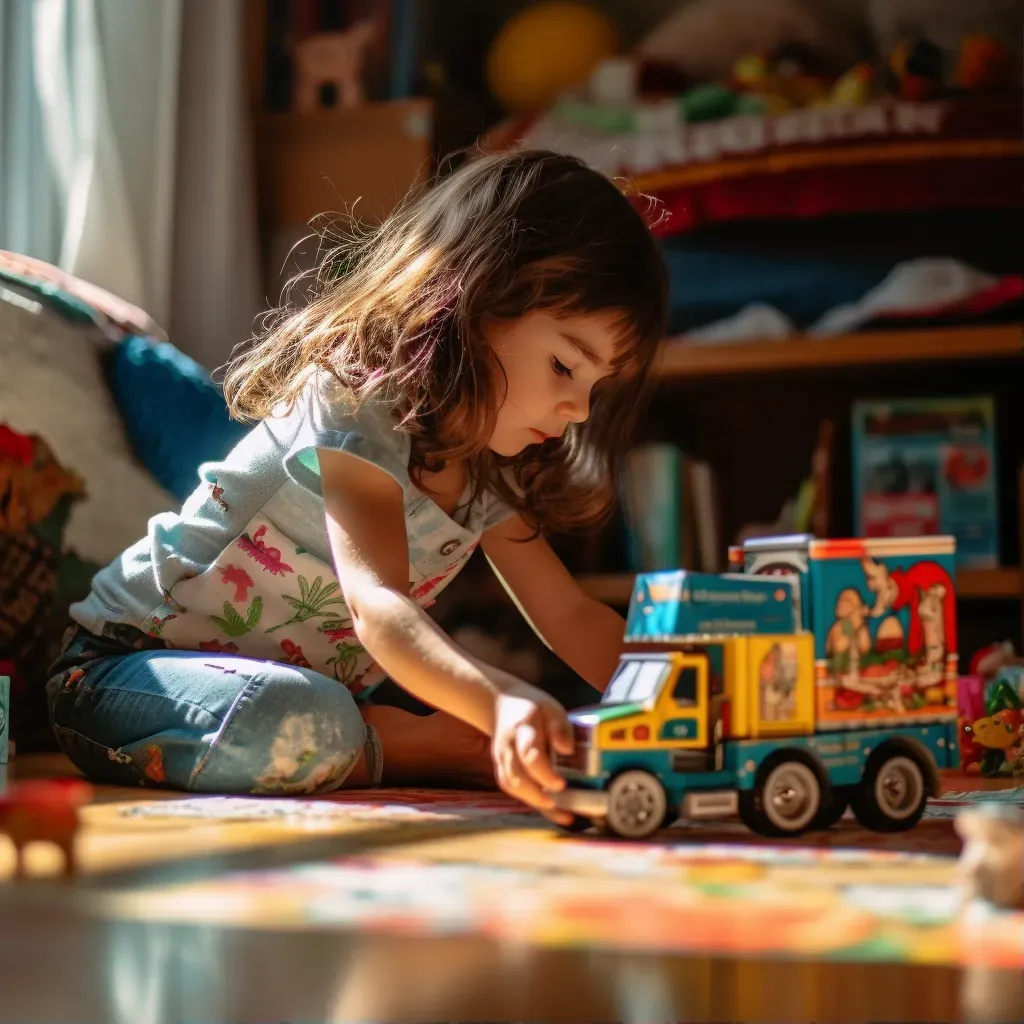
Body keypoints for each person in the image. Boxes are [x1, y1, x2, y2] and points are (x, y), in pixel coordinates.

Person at [46, 150, 668, 823]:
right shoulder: (354, 400)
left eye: (595, 387)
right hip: (121, 673)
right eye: (564, 366)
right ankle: (414, 746)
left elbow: (569, 614)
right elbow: (381, 606)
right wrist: (501, 700)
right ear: (480, 298)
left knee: (315, 713)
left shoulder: (493, 466)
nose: (579, 409)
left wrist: (675, 703)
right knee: (291, 720)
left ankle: (388, 737)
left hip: (305, 691)